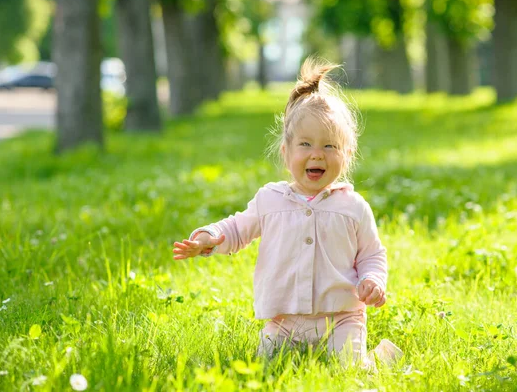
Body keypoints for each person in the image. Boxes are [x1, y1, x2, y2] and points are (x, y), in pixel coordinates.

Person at [172, 57, 402, 369]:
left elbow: (372, 253)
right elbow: (236, 229)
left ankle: (382, 358)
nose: (317, 154)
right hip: (283, 321)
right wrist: (207, 237)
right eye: (305, 144)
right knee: (266, 367)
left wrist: (373, 279)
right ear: (286, 152)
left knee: (350, 372)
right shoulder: (270, 200)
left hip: (342, 319)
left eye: (330, 147)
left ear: (347, 154)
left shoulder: (353, 207)